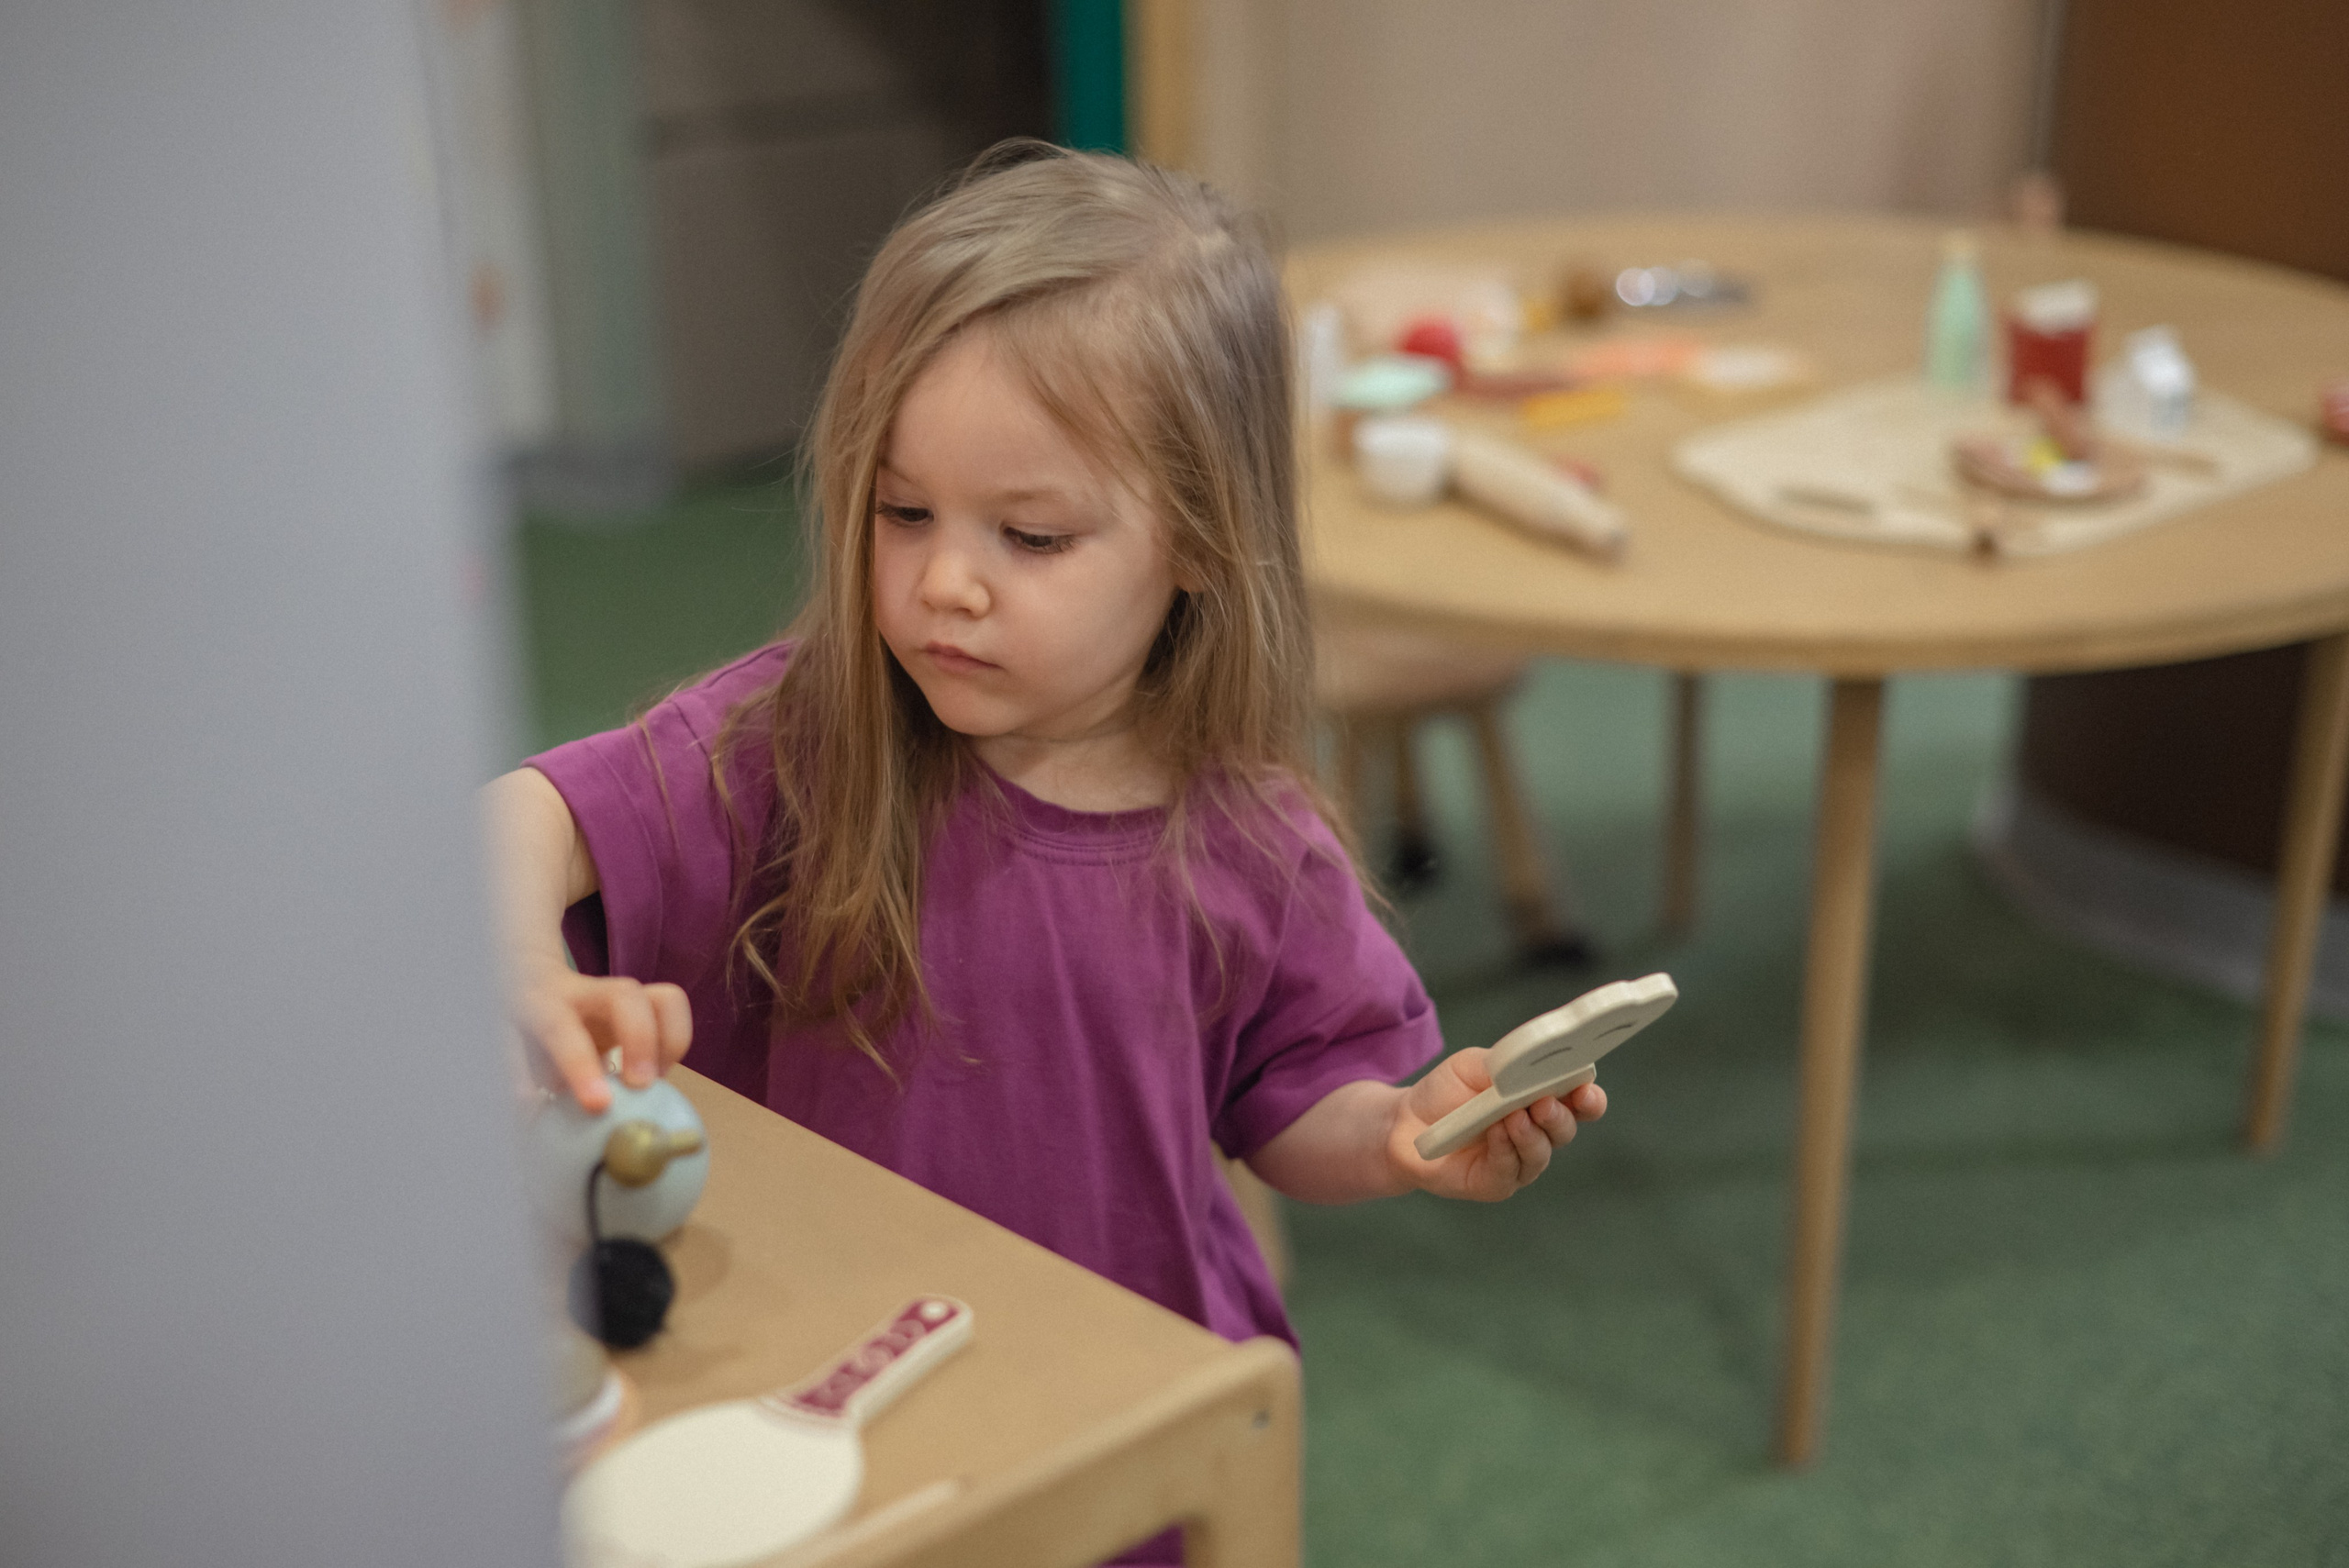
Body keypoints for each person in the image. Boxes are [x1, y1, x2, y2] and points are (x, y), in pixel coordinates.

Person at [487, 143, 1605, 1560]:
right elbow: (512, 820)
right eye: (902, 513)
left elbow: (1288, 1103)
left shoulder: (1253, 842)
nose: (946, 580)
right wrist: (529, 966)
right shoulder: (800, 739)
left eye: (1030, 533)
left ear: (1195, 544)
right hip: (830, 1387)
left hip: (1115, 1395)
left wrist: (1397, 1136)